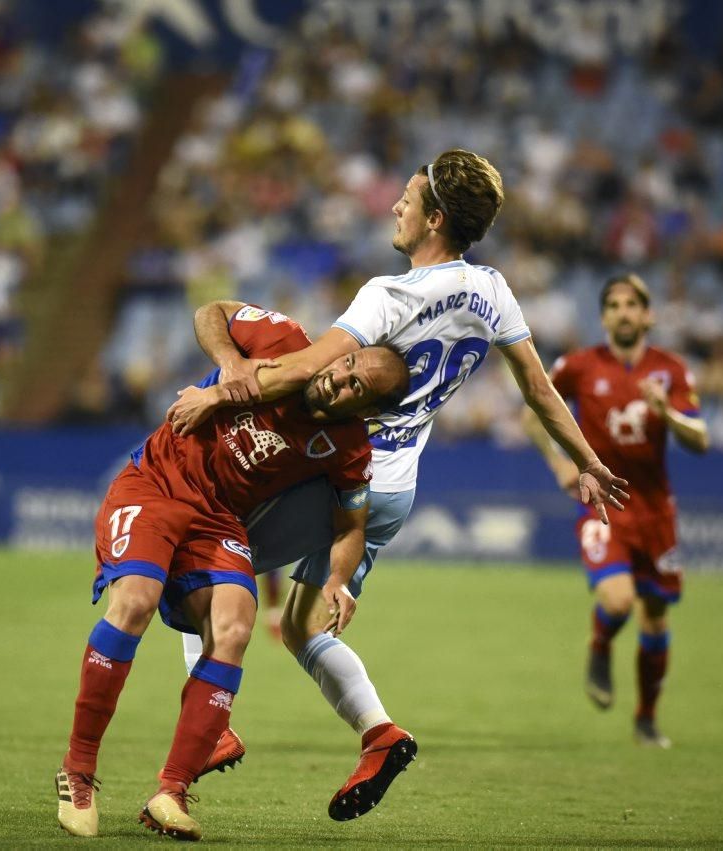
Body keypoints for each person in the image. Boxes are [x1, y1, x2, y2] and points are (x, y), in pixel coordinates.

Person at [166, 149, 630, 820]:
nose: (395, 207)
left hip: (339, 475)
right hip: (397, 490)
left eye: (407, 200)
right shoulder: (493, 289)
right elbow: (537, 388)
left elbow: (308, 369)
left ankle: (211, 727)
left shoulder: (389, 296)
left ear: (435, 218)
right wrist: (586, 457)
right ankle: (380, 734)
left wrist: (225, 388)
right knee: (301, 626)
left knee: (194, 560)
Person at [55, 304, 410, 840]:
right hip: (154, 484)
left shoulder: (349, 447)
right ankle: (78, 772)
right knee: (135, 601)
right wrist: (229, 362)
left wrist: (337, 579)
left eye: (356, 387)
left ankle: (170, 791)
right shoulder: (283, 339)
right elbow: (209, 310)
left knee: (235, 628)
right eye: (347, 364)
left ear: (369, 409)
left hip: (218, 519)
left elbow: (350, 527)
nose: (338, 378)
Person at [523, 273, 709, 747]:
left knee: (655, 617)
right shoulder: (580, 366)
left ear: (647, 315)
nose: (623, 312)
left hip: (656, 512)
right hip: (603, 506)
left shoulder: (671, 370)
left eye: (632, 304)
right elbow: (532, 410)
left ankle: (646, 719)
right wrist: (559, 463)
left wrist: (667, 412)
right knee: (619, 600)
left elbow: (701, 440)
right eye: (614, 305)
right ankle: (600, 644)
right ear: (603, 316)